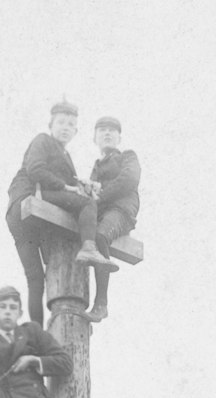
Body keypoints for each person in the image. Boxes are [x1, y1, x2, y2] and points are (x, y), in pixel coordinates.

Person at [6, 100, 112, 326]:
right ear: (51, 124)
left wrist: (80, 185)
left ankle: (36, 332)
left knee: (36, 280)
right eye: (61, 122)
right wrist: (68, 188)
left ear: (76, 131)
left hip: (22, 221)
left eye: (71, 124)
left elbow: (65, 182)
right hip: (28, 200)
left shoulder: (65, 155)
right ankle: (89, 248)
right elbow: (36, 169)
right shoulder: (43, 141)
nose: (65, 127)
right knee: (86, 206)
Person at [84, 118, 141, 326]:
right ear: (95, 138)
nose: (107, 134)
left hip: (121, 210)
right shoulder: (96, 167)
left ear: (119, 137)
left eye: (111, 131)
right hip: (101, 212)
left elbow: (129, 180)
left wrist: (100, 196)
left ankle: (101, 303)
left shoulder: (127, 156)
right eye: (102, 131)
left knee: (100, 236)